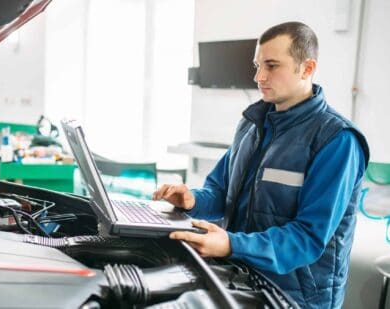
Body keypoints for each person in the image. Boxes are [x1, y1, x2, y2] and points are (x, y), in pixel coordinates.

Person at [153, 21, 369, 308]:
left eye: (271, 65)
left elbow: (307, 238)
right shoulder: (253, 124)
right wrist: (191, 200)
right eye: (257, 65)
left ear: (306, 68)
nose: (259, 76)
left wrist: (231, 243)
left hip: (293, 297)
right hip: (239, 275)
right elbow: (220, 192)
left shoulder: (337, 140)